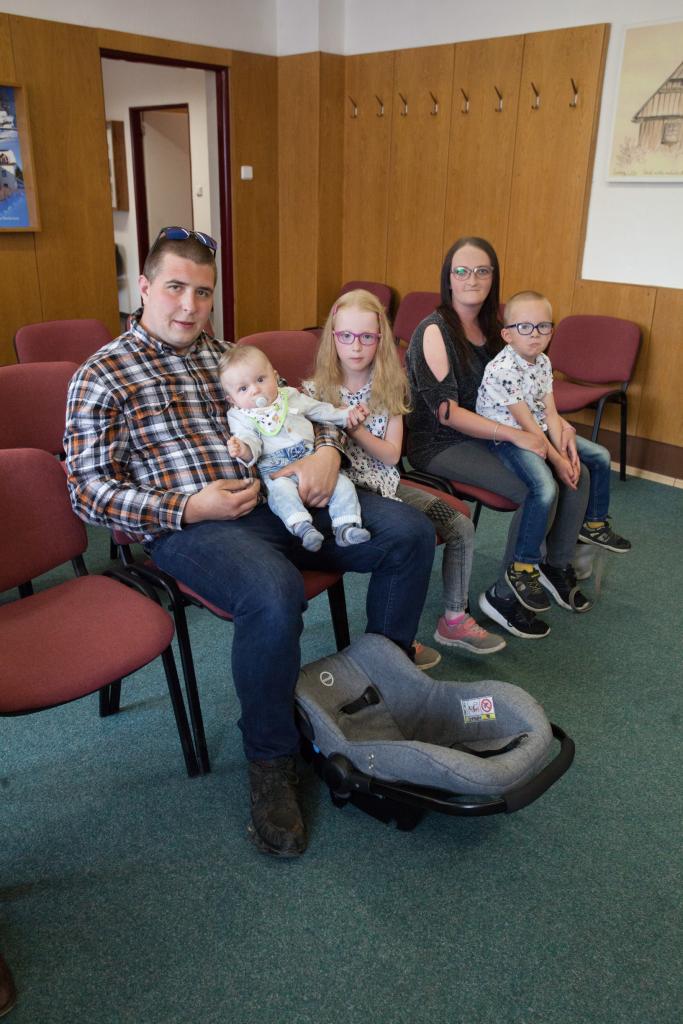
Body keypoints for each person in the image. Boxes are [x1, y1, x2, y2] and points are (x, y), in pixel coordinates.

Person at [65, 226, 435, 858]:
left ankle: (381, 686)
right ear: (144, 287)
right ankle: (271, 758)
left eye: (203, 292)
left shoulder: (231, 356)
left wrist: (325, 454)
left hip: (279, 496)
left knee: (409, 532)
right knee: (272, 589)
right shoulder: (102, 374)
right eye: (175, 288)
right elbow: (87, 491)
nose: (190, 306)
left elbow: (302, 410)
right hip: (191, 527)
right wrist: (188, 505)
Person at [405, 236, 590, 641]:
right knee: (535, 486)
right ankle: (504, 595)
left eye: (482, 271)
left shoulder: (495, 328)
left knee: (582, 465)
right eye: (461, 271)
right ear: (448, 278)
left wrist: (559, 427)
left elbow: (521, 391)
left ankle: (553, 566)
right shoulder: (434, 330)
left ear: (493, 278)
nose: (472, 278)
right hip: (440, 442)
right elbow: (446, 413)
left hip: (490, 429)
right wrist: (519, 437)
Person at [304, 288, 505, 655]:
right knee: (405, 541)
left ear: (380, 339)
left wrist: (354, 428)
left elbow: (392, 454)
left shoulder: (389, 388)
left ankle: (454, 619)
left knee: (460, 525)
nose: (356, 346)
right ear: (332, 337)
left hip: (387, 484)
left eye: (367, 337)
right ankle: (397, 636)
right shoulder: (316, 392)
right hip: (347, 493)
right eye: (346, 336)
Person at [476, 290, 631, 612]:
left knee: (599, 457)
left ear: (551, 331)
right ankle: (523, 565)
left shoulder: (543, 362)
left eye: (543, 326)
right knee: (545, 488)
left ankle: (594, 524)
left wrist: (564, 443)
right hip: (508, 437)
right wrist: (559, 460)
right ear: (507, 334)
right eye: (525, 327)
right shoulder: (502, 368)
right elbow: (528, 427)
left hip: (537, 427)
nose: (535, 334)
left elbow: (549, 413)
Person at [220, 344, 371, 552]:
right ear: (231, 399)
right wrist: (243, 449)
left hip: (310, 456)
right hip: (276, 467)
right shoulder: (240, 415)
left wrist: (346, 415)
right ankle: (303, 529)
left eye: (261, 379)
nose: (255, 390)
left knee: (344, 485)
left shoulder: (289, 396)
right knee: (280, 493)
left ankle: (347, 527)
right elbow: (249, 438)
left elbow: (319, 410)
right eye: (243, 389)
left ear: (275, 376)